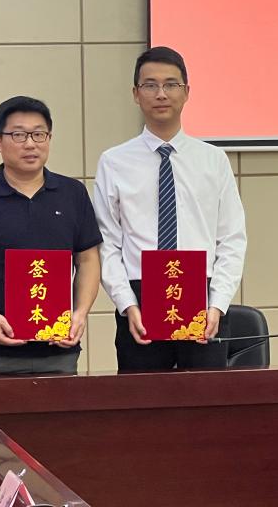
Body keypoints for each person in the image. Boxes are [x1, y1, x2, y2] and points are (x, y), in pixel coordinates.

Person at [95, 46, 246, 370]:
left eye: (171, 84)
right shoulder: (114, 162)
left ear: (186, 92)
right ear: (136, 94)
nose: (161, 94)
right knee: (144, 400)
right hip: (139, 299)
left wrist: (218, 304)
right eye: (150, 85)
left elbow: (232, 239)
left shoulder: (213, 160)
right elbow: (107, 242)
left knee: (204, 399)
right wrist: (126, 304)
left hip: (203, 296)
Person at [0, 96, 102, 375]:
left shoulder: (73, 194)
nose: (30, 144)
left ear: (49, 138)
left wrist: (81, 313)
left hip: (59, 350)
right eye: (18, 135)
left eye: (39, 134)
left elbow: (87, 260)